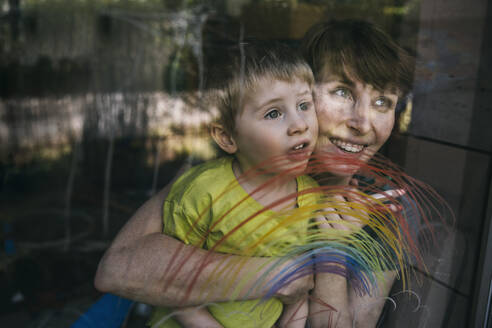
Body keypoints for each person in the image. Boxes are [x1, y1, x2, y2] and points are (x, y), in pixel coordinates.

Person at [94, 19, 414, 328]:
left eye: (382, 102)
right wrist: (277, 276)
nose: (362, 123)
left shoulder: (381, 213)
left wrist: (332, 251)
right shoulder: (234, 174)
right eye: (342, 92)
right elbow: (118, 269)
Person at [148, 43, 320, 328]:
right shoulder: (204, 192)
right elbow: (169, 282)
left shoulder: (312, 198)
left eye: (304, 105)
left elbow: (299, 292)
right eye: (274, 113)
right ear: (228, 137)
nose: (300, 124)